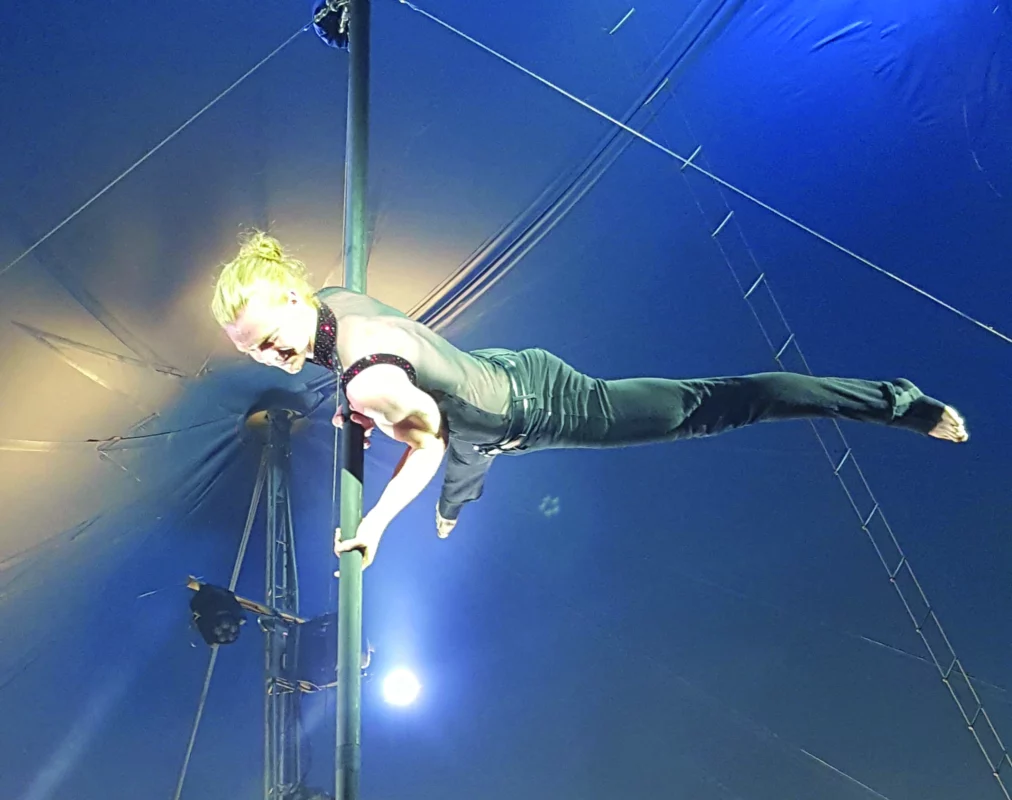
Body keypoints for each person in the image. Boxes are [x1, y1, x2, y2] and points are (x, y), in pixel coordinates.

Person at [211, 232, 969, 568]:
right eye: (251, 352)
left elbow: (436, 441)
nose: (268, 356)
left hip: (541, 407)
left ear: (288, 292)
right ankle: (456, 506)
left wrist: (374, 522)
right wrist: (356, 401)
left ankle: (894, 400)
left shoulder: (365, 374)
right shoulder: (335, 301)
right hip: (493, 374)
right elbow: (392, 372)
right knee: (464, 458)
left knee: (720, 403)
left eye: (269, 336)